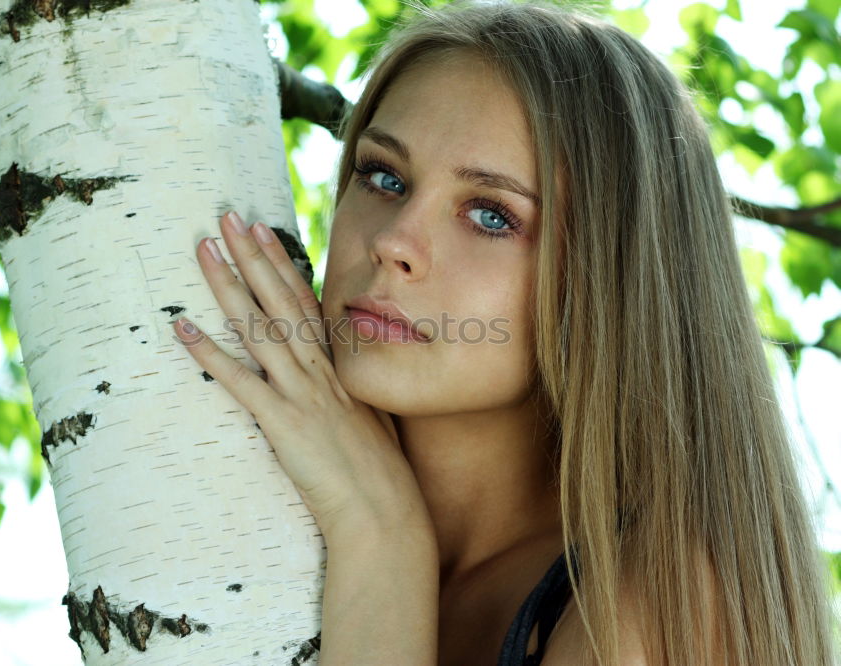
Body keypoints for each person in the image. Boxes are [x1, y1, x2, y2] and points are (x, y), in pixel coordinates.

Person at [174, 1, 836, 663]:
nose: (392, 241)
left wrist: (381, 540)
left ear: (609, 284)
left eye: (492, 215)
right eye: (384, 177)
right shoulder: (238, 500)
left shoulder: (665, 600)